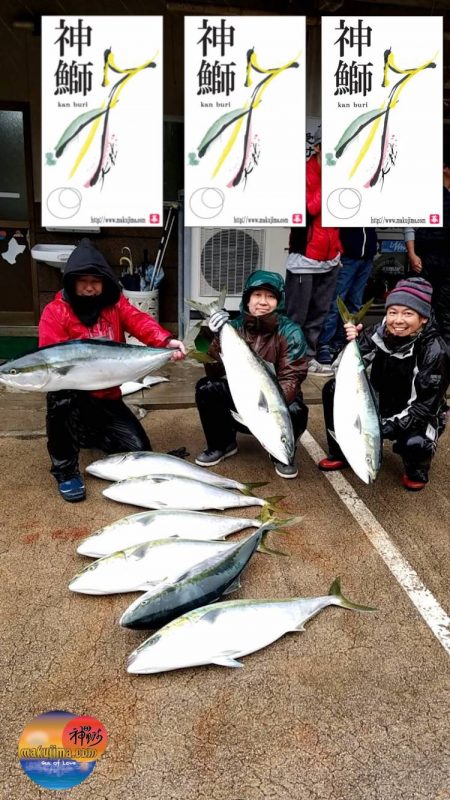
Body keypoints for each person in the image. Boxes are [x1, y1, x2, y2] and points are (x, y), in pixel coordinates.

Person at [38, 238, 186, 502]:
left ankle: (90, 432)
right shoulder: (55, 312)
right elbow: (53, 357)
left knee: (140, 452)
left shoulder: (115, 304)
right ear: (71, 282)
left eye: (95, 281)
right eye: (82, 281)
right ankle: (66, 471)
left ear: (105, 282)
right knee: (59, 399)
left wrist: (164, 342)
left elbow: (140, 321)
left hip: (108, 396)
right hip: (74, 396)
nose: (89, 288)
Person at [317, 277, 448, 491]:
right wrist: (351, 343)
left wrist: (378, 430)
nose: (398, 320)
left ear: (423, 318)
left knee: (415, 444)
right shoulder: (376, 333)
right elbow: (341, 371)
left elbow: (423, 407)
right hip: (380, 403)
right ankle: (340, 450)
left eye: (408, 313)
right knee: (333, 388)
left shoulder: (435, 352)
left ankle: (418, 467)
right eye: (392, 312)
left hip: (419, 414)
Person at [194, 270, 308, 479]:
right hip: (239, 396)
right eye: (257, 295)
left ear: (279, 302)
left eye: (270, 296)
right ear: (247, 299)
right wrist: (214, 335)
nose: (263, 301)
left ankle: (280, 453)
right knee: (207, 386)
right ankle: (222, 444)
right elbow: (214, 369)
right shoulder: (233, 327)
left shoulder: (290, 332)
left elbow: (292, 377)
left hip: (269, 402)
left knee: (296, 409)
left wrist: (268, 411)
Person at [285, 125, 343, 376]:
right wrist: (328, 186)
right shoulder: (302, 173)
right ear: (317, 147)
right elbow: (307, 209)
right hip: (304, 257)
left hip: (330, 257)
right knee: (296, 315)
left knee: (319, 313)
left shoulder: (342, 174)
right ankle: (289, 360)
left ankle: (308, 358)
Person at [404, 143, 450, 351]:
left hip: (447, 259)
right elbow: (410, 222)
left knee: (446, 306)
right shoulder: (426, 191)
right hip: (426, 256)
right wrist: (412, 253)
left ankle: (445, 351)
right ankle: (423, 347)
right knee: (424, 302)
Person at [316, 227, 377, 365]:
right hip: (347, 255)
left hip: (367, 256)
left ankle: (342, 342)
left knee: (355, 303)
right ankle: (324, 344)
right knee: (336, 302)